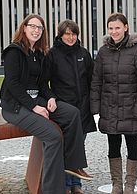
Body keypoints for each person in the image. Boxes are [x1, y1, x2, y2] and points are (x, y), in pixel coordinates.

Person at [0, 14, 93, 194]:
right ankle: (53, 190)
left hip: (36, 100)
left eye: (39, 28)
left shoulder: (39, 53)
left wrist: (50, 97)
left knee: (72, 113)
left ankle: (73, 166)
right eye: (32, 26)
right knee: (53, 136)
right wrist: (34, 106)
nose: (36, 30)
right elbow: (13, 84)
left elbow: (42, 83)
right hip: (15, 107)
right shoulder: (14, 51)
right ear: (24, 28)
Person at [90, 12, 137, 194]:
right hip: (110, 108)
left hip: (131, 109)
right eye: (111, 28)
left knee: (133, 146)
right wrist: (96, 107)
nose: (114, 31)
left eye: (117, 27)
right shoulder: (103, 52)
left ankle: (130, 185)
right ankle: (117, 184)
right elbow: (96, 81)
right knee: (113, 146)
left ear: (126, 28)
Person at [46, 20, 97, 194]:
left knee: (79, 145)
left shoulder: (83, 53)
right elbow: (44, 83)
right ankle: (66, 185)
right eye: (67, 34)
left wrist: (94, 103)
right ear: (60, 35)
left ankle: (77, 185)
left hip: (83, 108)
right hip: (64, 109)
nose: (70, 37)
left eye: (73, 34)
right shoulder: (52, 54)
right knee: (66, 147)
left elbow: (92, 80)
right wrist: (52, 98)